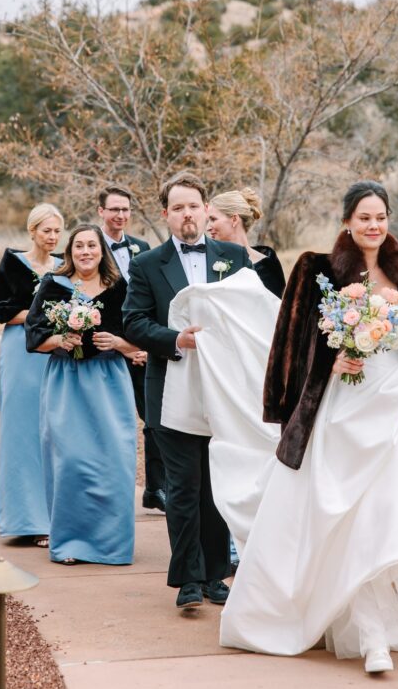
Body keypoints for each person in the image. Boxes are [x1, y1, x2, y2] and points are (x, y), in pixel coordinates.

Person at [220, 180, 398, 674]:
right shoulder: (319, 271)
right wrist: (332, 362)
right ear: (347, 221)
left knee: (390, 515)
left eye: (380, 217)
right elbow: (297, 345)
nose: (373, 226)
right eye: (364, 217)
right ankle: (367, 631)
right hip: (343, 408)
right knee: (348, 518)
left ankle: (380, 629)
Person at [122, 171, 251, 610]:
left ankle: (216, 575)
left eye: (194, 206)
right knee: (182, 487)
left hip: (223, 390)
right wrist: (176, 339)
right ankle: (188, 579)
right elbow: (134, 322)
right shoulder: (146, 265)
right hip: (171, 386)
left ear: (206, 208)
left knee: (216, 485)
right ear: (166, 214)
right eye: (178, 208)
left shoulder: (234, 256)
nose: (187, 214)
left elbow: (252, 312)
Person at [25, 224, 139, 565]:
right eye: (79, 246)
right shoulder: (54, 285)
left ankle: (111, 546)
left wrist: (118, 343)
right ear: (70, 251)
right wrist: (60, 340)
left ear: (102, 251)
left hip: (109, 382)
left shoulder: (119, 288)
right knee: (70, 461)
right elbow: (33, 337)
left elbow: (139, 336)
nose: (85, 251)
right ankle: (71, 543)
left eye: (92, 245)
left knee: (113, 461)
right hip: (67, 382)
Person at [0, 203, 64, 544]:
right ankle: (26, 520)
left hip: (55, 351)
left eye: (57, 231)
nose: (52, 236)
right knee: (22, 432)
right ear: (32, 231)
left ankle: (58, 516)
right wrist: (40, 314)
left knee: (56, 430)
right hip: (21, 352)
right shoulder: (13, 264)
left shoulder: (64, 266)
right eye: (46, 230)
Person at [97, 184, 166, 514]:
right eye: (114, 209)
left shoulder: (142, 247)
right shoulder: (88, 247)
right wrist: (123, 346)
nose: (121, 215)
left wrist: (145, 345)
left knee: (154, 419)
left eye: (125, 209)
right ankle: (108, 491)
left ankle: (155, 488)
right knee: (110, 423)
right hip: (106, 350)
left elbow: (151, 301)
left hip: (142, 349)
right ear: (101, 211)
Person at [207, 188, 286, 298]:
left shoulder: (267, 266)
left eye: (213, 219)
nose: (208, 228)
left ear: (234, 219)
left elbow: (278, 306)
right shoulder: (209, 263)